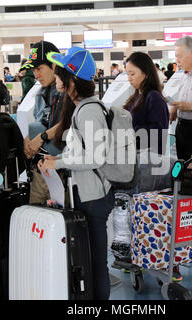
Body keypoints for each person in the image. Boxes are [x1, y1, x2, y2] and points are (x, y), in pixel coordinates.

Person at [39, 46, 115, 300]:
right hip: (87, 193)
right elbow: (82, 152)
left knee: (96, 263)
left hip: (93, 197)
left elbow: (96, 157)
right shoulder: (82, 108)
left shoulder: (89, 110)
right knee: (89, 260)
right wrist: (56, 159)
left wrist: (58, 164)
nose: (56, 78)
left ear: (72, 80)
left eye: (60, 74)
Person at [20, 41, 66, 204]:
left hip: (61, 169)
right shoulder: (40, 94)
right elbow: (39, 122)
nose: (36, 75)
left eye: (39, 69)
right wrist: (27, 139)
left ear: (54, 66)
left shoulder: (66, 92)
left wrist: (41, 137)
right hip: (39, 169)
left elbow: (67, 125)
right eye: (33, 70)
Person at [123, 52, 169, 155]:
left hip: (149, 157)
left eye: (133, 74)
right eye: (127, 74)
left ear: (146, 74)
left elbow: (157, 133)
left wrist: (132, 131)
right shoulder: (136, 97)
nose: (129, 78)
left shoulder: (154, 98)